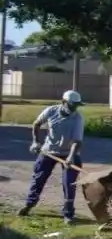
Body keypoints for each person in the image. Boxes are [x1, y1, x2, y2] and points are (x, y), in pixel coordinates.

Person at [17, 89, 85, 225]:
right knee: (39, 177)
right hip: (49, 151)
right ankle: (29, 204)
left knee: (69, 183)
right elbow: (36, 124)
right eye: (72, 105)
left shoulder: (77, 118)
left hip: (69, 153)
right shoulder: (51, 111)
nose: (74, 108)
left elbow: (77, 141)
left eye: (77, 105)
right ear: (64, 102)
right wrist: (36, 142)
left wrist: (70, 157)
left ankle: (68, 214)